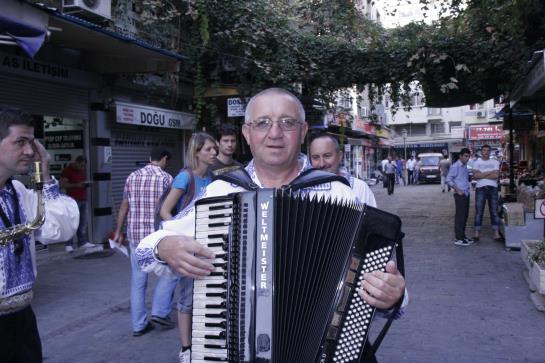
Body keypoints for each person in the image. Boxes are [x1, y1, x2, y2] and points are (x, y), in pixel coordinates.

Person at [136, 88, 406, 362]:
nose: (274, 133)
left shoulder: (339, 194)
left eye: (287, 123)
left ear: (302, 132)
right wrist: (165, 246)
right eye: (262, 123)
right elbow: (145, 250)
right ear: (247, 134)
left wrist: (394, 295)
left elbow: (382, 288)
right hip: (236, 350)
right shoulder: (222, 191)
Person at [0, 106, 78, 363]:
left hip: (22, 321)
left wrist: (44, 174)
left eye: (32, 143)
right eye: (20, 142)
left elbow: (61, 231)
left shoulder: (19, 191)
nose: (30, 151)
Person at [158, 132, 217, 361]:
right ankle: (186, 348)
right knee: (186, 299)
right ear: (196, 152)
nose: (214, 153)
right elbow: (165, 210)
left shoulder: (211, 178)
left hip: (206, 244)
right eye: (209, 149)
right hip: (188, 245)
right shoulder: (185, 177)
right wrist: (181, 236)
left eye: (214, 148)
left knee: (204, 295)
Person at [113, 147, 178, 337]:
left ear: (150, 158)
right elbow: (170, 209)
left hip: (135, 236)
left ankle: (138, 325)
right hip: (157, 238)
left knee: (138, 281)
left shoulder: (132, 177)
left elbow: (124, 206)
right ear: (164, 159)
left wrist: (118, 231)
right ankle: (160, 311)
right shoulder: (167, 179)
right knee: (171, 273)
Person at [309, 134, 376, 207]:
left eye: (327, 156)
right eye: (315, 157)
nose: (321, 164)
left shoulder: (360, 188)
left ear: (340, 156)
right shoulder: (304, 190)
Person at [60, 156, 93, 252]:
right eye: (81, 165)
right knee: (71, 223)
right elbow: (62, 185)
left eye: (84, 166)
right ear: (76, 163)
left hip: (83, 199)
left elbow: (81, 183)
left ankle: (82, 242)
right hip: (72, 201)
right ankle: (68, 244)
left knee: (82, 222)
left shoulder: (82, 171)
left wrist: (85, 184)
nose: (82, 168)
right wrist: (77, 185)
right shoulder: (67, 171)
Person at [472, 144, 501, 241]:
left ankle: (496, 233)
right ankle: (476, 233)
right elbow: (475, 176)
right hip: (480, 188)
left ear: (490, 152)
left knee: (494, 211)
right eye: (484, 150)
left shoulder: (495, 162)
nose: (486, 152)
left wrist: (482, 175)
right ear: (481, 152)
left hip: (493, 188)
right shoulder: (476, 162)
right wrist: (490, 172)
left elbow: (496, 176)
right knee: (479, 211)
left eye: (488, 150)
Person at [446, 148, 474, 246]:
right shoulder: (455, 166)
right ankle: (458, 238)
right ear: (460, 156)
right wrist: (458, 190)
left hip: (466, 193)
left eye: (468, 156)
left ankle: (463, 236)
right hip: (459, 194)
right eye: (465, 156)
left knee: (465, 215)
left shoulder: (464, 166)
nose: (467, 158)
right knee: (460, 216)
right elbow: (448, 179)